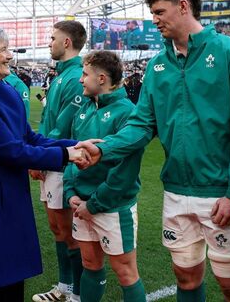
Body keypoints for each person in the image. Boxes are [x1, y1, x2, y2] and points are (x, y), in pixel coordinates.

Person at [77, 0, 230, 302]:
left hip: (221, 193)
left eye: (160, 11)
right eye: (152, 12)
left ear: (183, 6)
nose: (154, 19)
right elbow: (141, 125)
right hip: (176, 191)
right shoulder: (158, 66)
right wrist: (104, 148)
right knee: (185, 277)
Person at [0, 25, 86, 301]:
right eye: (3, 50)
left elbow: (29, 137)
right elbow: (12, 151)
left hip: (8, 195)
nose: (10, 56)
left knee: (12, 277)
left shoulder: (3, 88)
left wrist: (74, 145)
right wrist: (66, 156)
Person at [64, 51, 146, 302]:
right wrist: (71, 193)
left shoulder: (128, 113)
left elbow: (125, 171)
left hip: (112, 207)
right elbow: (72, 154)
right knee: (90, 263)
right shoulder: (83, 109)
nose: (80, 80)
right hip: (81, 203)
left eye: (85, 74)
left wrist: (95, 204)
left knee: (125, 272)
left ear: (101, 78)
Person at [32, 20, 87, 302]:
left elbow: (63, 128)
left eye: (53, 38)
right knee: (57, 228)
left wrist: (41, 156)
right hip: (51, 159)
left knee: (68, 231)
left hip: (62, 163)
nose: (48, 42)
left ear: (67, 42)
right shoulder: (61, 75)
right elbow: (47, 122)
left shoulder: (76, 76)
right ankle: (64, 287)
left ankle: (76, 292)